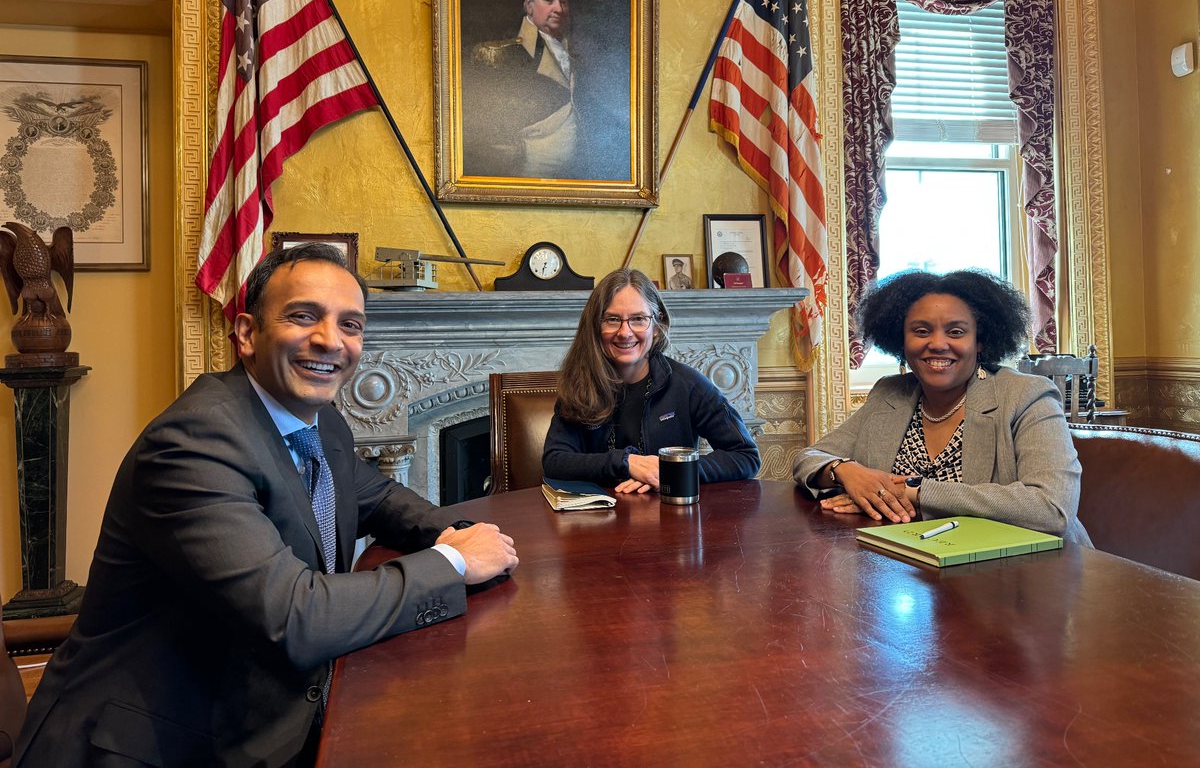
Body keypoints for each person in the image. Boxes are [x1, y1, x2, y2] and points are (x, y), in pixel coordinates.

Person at [15, 244, 519, 767]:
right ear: (248, 334)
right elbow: (296, 617)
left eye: (351, 325)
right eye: (304, 317)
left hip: (261, 713)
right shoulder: (195, 442)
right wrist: (454, 563)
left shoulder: (321, 423)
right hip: (152, 744)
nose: (331, 341)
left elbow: (382, 497)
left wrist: (467, 532)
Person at [793, 269, 1091, 544]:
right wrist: (846, 471)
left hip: (1031, 577)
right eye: (921, 331)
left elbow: (1052, 508)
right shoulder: (889, 393)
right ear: (901, 340)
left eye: (956, 332)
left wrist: (915, 493)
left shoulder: (1026, 395)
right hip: (914, 571)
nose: (937, 343)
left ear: (980, 342)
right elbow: (809, 457)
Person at [543, 268, 760, 493]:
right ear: (596, 328)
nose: (625, 332)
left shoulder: (688, 385)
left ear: (656, 327)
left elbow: (746, 456)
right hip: (598, 520)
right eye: (612, 319)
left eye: (638, 319)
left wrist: (669, 470)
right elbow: (555, 461)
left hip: (672, 519)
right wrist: (627, 463)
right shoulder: (579, 385)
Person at [462, 0, 628, 181]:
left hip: (574, 178)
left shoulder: (578, 55)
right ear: (529, 5)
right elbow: (479, 128)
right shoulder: (497, 54)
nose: (558, 8)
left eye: (564, 2)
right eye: (548, 0)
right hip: (523, 177)